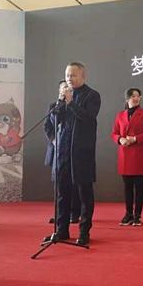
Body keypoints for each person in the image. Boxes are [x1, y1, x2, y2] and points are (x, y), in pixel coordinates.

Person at [45, 62, 101, 246]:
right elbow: (54, 121)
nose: (69, 78)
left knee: (84, 195)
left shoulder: (92, 95)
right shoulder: (62, 98)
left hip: (81, 153)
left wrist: (70, 102)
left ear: (83, 76)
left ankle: (84, 232)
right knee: (62, 193)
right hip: (62, 153)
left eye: (73, 75)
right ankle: (61, 230)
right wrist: (60, 103)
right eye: (67, 75)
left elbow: (88, 118)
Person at [111, 88, 143, 226]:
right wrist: (120, 139)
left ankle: (137, 215)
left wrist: (135, 138)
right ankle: (128, 214)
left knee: (139, 187)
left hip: (139, 154)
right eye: (133, 96)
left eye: (138, 96)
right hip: (125, 155)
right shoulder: (120, 115)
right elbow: (114, 133)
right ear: (127, 98)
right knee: (127, 187)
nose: (136, 98)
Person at [43, 80, 81, 225]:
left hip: (71, 149)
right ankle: (60, 214)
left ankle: (73, 213)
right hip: (57, 148)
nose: (65, 90)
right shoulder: (54, 106)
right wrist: (54, 140)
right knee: (58, 183)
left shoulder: (75, 106)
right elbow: (47, 126)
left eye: (68, 88)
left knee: (73, 183)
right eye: (63, 88)